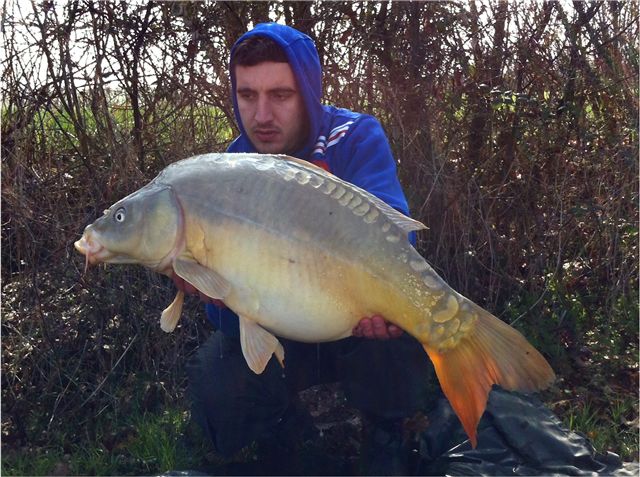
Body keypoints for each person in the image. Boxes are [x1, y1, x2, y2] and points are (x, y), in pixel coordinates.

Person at [174, 22, 436, 475]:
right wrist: (211, 291)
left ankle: (386, 433)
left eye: (281, 95)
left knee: (401, 323)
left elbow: (397, 243)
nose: (262, 116)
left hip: (352, 317)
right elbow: (227, 319)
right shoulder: (229, 170)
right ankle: (290, 435)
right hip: (279, 325)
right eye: (248, 95)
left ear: (309, 92)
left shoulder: (354, 136)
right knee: (217, 379)